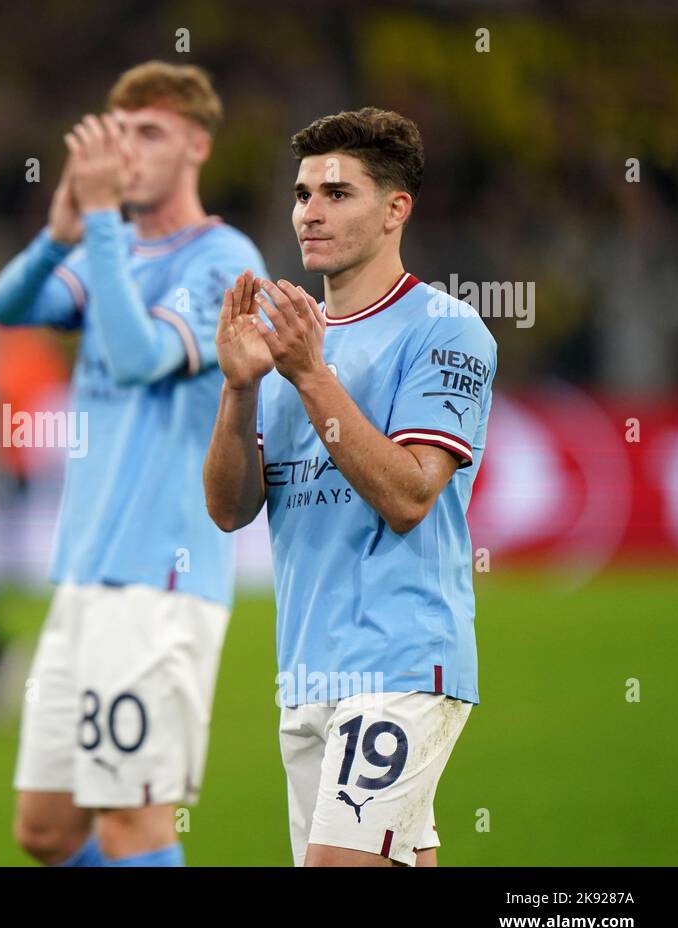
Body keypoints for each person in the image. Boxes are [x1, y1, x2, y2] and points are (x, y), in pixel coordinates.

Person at [0, 62, 267, 866]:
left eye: (151, 132)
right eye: (120, 132)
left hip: (160, 582)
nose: (130, 150)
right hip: (86, 576)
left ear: (197, 145)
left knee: (131, 824)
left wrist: (102, 224)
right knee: (46, 830)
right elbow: (3, 309)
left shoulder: (224, 260)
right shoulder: (118, 249)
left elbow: (143, 356)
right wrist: (64, 228)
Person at [203, 107, 496, 866]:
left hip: (401, 661)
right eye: (302, 194)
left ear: (396, 208)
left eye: (337, 193)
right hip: (305, 670)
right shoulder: (283, 344)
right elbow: (230, 510)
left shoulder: (445, 330)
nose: (310, 212)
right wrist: (239, 390)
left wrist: (308, 374)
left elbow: (408, 496)